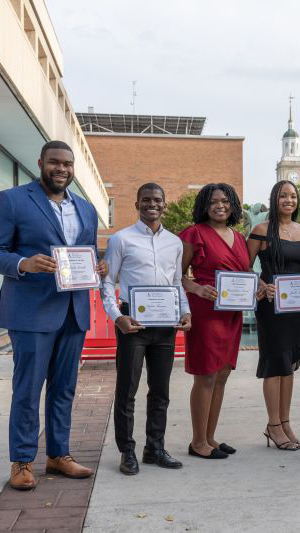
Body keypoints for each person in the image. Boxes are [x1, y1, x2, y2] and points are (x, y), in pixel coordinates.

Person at [0, 140, 108, 490]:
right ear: (41, 163)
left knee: (64, 388)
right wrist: (22, 264)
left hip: (74, 311)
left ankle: (58, 455)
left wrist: (98, 267)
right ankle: (21, 461)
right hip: (32, 312)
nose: (62, 169)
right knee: (28, 389)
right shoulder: (14, 200)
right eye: (55, 163)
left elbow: (87, 252)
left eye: (68, 164)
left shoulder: (87, 209)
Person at [102, 183, 191, 475]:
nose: (152, 204)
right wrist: (117, 317)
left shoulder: (175, 243)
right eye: (146, 200)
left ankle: (154, 447)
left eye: (157, 200)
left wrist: (185, 311)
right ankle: (127, 451)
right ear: (137, 204)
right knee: (127, 390)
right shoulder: (121, 239)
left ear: (165, 205)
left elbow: (177, 282)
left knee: (161, 391)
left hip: (165, 325)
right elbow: (107, 282)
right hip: (133, 324)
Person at [180, 184, 249, 459]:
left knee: (222, 374)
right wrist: (196, 288)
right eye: (213, 202)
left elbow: (244, 274)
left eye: (225, 201)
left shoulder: (239, 237)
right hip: (206, 311)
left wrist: (255, 288)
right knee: (206, 375)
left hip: (233, 312)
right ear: (204, 206)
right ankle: (197, 442)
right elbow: (175, 274)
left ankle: (210, 437)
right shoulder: (193, 233)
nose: (220, 205)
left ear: (233, 204)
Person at [247, 180, 300, 451]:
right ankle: (273, 425)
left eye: (293, 195)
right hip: (272, 307)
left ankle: (284, 423)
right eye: (283, 195)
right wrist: (261, 286)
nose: (289, 199)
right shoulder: (261, 230)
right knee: (275, 365)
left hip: (297, 307)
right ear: (274, 199)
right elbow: (243, 268)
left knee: (290, 365)